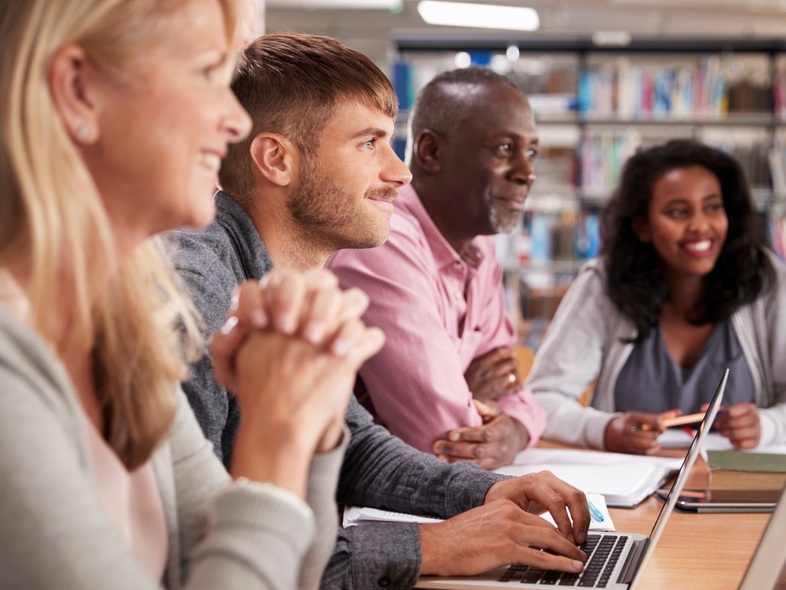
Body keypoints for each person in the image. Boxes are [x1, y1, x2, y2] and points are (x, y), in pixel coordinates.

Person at [166, 34, 590, 589]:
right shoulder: (195, 296)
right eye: (369, 144)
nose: (402, 173)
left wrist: (484, 491)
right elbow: (205, 546)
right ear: (277, 159)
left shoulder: (288, 283)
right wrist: (432, 545)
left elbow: (356, 447)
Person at [0, 1, 387, 588]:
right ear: (80, 91)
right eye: (207, 73)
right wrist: (274, 433)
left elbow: (277, 568)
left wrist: (312, 403)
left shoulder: (117, 327)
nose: (235, 122)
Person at [327, 67, 545, 469]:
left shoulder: (480, 247)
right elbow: (442, 439)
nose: (526, 173)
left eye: (530, 152)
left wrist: (513, 430)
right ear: (430, 152)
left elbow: (517, 391)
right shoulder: (383, 240)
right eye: (503, 149)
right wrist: (468, 392)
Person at [527, 138, 786, 454]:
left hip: (736, 493)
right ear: (642, 226)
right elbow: (540, 399)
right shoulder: (603, 284)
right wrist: (604, 429)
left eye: (712, 207)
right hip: (632, 493)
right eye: (678, 212)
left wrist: (768, 424)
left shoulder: (766, 280)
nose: (700, 225)